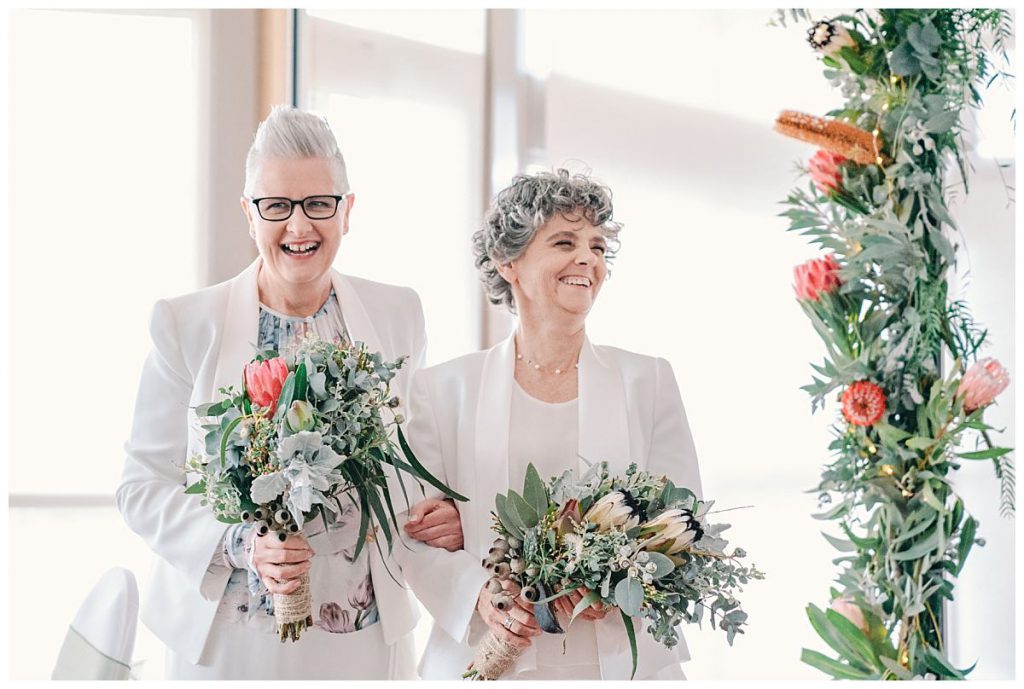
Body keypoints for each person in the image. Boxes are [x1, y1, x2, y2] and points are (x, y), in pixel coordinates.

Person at [117, 105, 461, 679]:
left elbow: (419, 459)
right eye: (276, 206)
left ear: (347, 210)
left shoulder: (400, 313)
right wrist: (241, 544)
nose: (299, 228)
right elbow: (141, 487)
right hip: (228, 639)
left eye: (318, 204)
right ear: (249, 215)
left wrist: (448, 513)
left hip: (365, 636)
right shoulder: (185, 324)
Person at [397, 169, 704, 680]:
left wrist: (622, 581)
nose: (588, 259)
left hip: (618, 663)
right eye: (565, 242)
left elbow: (685, 524)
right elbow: (413, 536)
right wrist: (478, 595)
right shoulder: (441, 390)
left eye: (598, 246)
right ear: (508, 261)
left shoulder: (648, 381)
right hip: (491, 655)